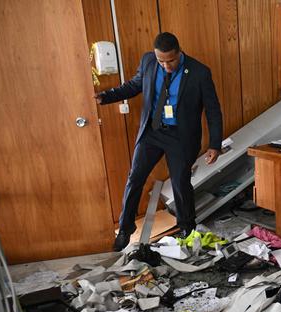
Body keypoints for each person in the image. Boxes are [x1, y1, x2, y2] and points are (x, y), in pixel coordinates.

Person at [95, 32, 223, 251]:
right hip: (152, 131)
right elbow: (134, 85)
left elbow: (213, 111)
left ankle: (187, 229)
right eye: (161, 61)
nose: (166, 66)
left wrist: (215, 144)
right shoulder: (147, 61)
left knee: (181, 183)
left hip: (180, 137)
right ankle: (126, 229)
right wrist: (105, 96)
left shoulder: (200, 72)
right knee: (135, 177)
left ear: (179, 52)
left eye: (170, 60)